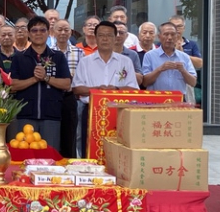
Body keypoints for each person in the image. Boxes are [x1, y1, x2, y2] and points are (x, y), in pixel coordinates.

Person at [70, 21, 139, 158]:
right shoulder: (85, 61)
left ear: (115, 38)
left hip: (119, 112)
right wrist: (96, 90)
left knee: (118, 151)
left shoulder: (125, 62)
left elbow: (133, 89)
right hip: (91, 112)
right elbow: (76, 89)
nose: (105, 39)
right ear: (95, 38)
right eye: (101, 35)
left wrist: (116, 89)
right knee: (89, 151)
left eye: (109, 35)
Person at [9, 15, 71, 150]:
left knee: (50, 155)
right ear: (28, 34)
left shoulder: (58, 56)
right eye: (34, 30)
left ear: (49, 33)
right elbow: (12, 85)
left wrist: (46, 78)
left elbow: (67, 84)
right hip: (25, 114)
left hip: (51, 115)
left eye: (42, 30)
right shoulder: (19, 57)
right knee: (23, 156)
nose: (38, 33)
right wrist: (34, 79)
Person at [54, 19, 84, 159]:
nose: (63, 33)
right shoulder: (49, 52)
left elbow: (83, 76)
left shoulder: (79, 52)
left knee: (70, 135)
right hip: (53, 97)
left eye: (66, 30)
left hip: (70, 97)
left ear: (71, 32)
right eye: (59, 29)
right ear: (53, 32)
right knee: (53, 135)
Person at [142, 22, 197, 94]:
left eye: (173, 34)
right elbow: (145, 82)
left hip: (178, 100)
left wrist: (183, 71)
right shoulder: (149, 55)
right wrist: (160, 69)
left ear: (177, 37)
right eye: (166, 34)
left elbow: (193, 83)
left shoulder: (184, 57)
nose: (170, 37)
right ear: (159, 37)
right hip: (156, 100)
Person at [112, 21, 144, 87]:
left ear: (126, 36)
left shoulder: (133, 54)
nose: (118, 35)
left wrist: (126, 71)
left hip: (126, 93)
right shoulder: (102, 53)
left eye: (121, 33)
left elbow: (140, 80)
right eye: (115, 32)